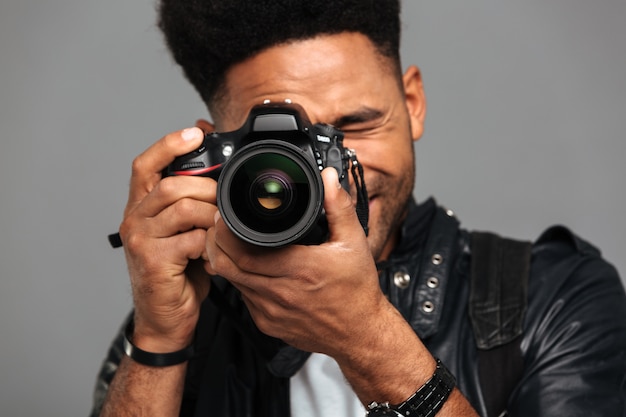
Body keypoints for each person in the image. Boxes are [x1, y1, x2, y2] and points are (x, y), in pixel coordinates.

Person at [90, 1, 626, 416]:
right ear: (215, 152)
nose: (333, 179)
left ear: (411, 103)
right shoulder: (184, 319)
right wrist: (159, 341)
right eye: (293, 149)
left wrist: (369, 341)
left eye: (356, 127)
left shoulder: (555, 300)